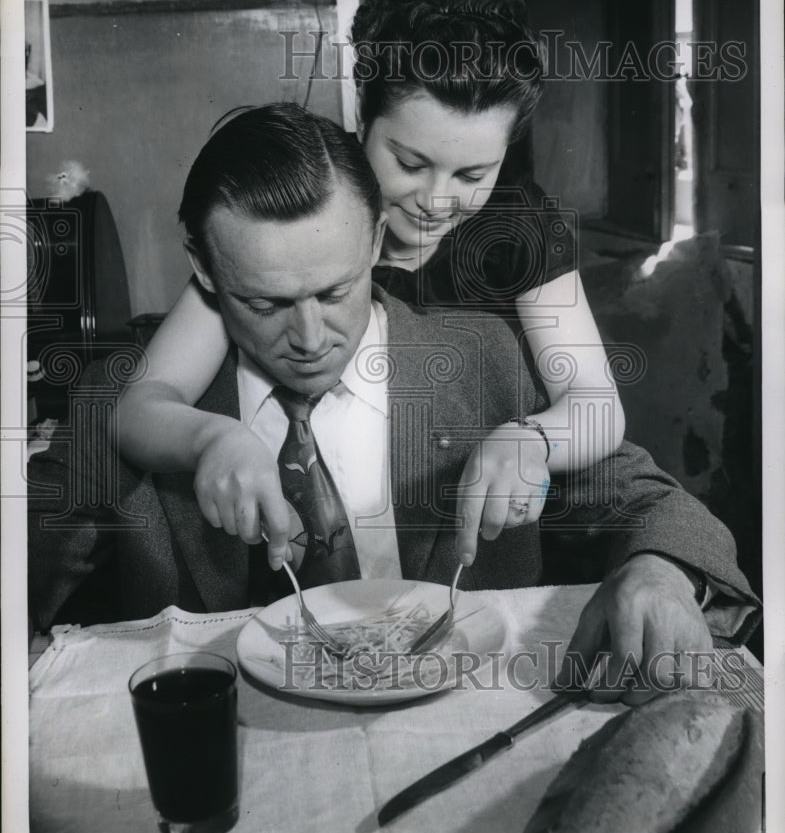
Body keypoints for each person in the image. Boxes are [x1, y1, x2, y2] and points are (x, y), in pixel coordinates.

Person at [28, 104, 760, 707]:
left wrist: (660, 572)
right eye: (264, 302)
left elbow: (654, 504)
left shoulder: (483, 362)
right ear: (203, 270)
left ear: (377, 239)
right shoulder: (116, 397)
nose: (310, 339)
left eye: (335, 291)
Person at [116, 0, 626, 572]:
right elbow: (142, 405)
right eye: (410, 163)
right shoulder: (314, 213)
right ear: (363, 115)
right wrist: (210, 439)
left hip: (490, 536)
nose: (436, 201)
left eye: (472, 176)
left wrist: (531, 438)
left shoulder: (521, 228)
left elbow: (596, 402)